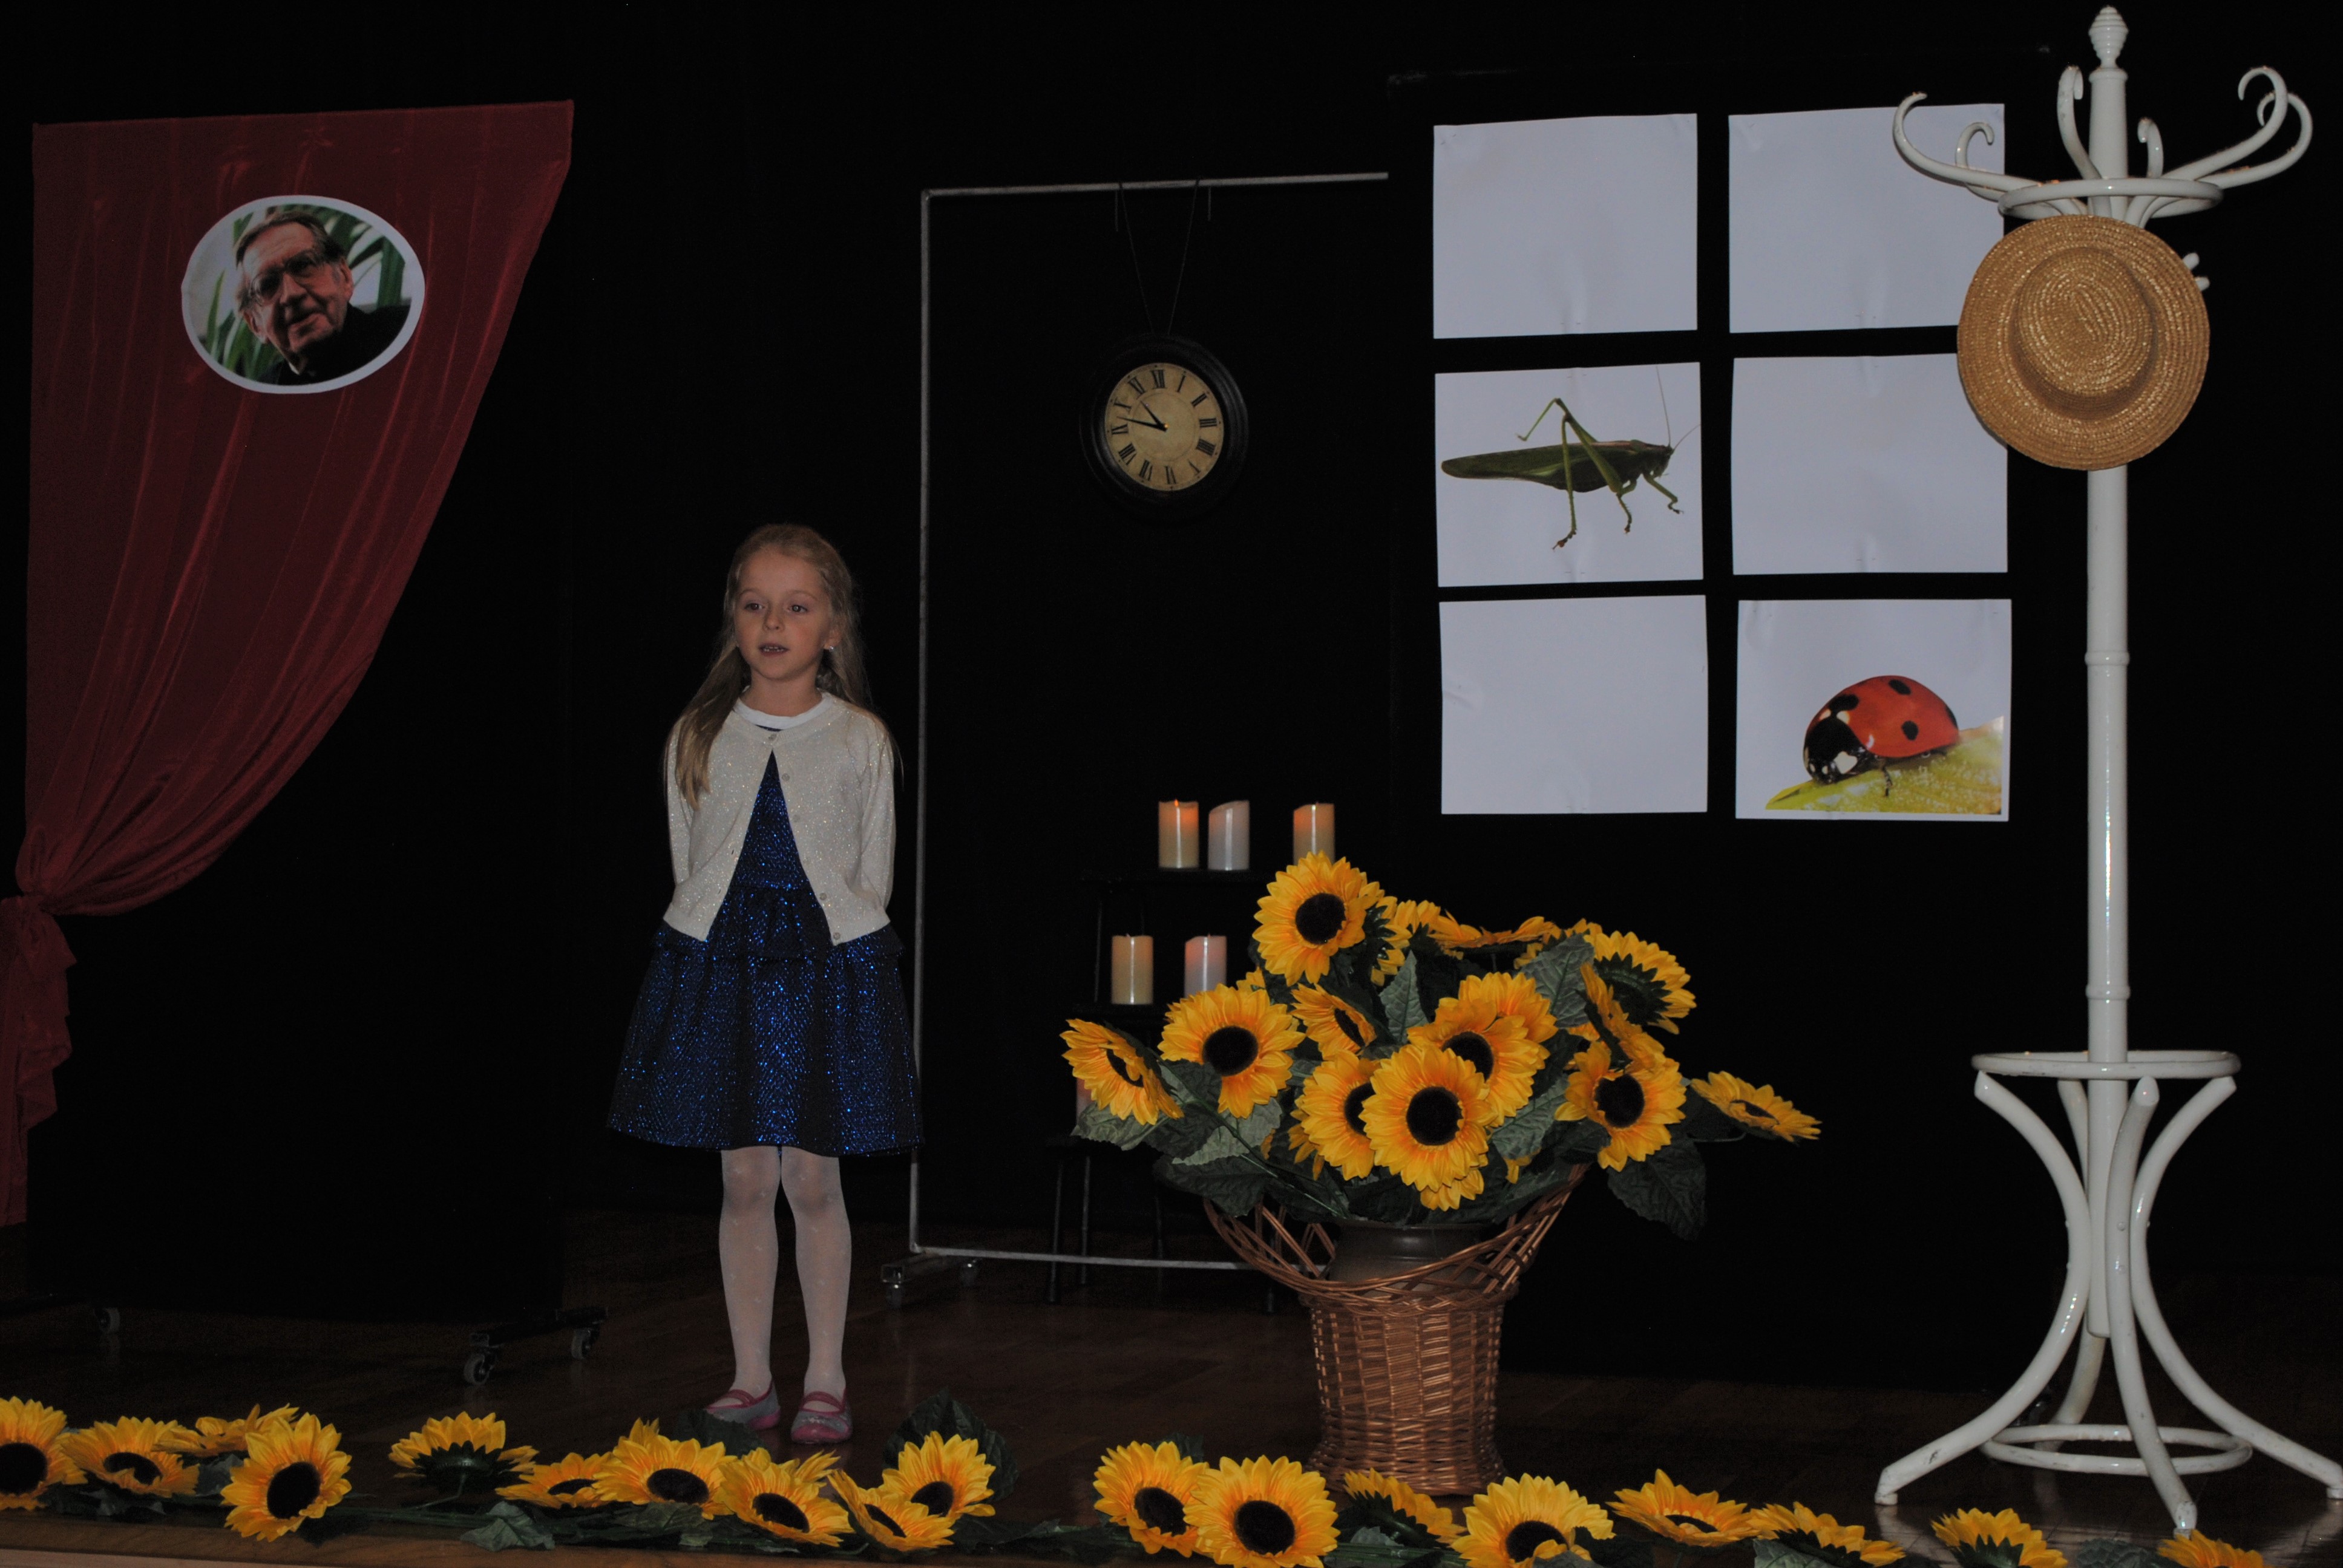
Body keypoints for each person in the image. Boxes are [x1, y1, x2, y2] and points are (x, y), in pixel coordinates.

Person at [608, 524, 917, 1443]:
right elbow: (688, 864)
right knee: (743, 1178)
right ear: (733, 620)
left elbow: (873, 874)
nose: (773, 623)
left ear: (833, 628)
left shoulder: (859, 739)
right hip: (725, 972)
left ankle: (825, 1379)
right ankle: (751, 1379)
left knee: (813, 1180)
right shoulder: (699, 735)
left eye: (797, 606)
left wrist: (848, 961)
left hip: (824, 974)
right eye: (755, 605)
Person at [232, 210, 411, 387]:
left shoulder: (411, 336)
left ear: (344, 276)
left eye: (303, 265)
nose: (291, 294)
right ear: (255, 324)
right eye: (267, 285)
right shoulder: (260, 395)